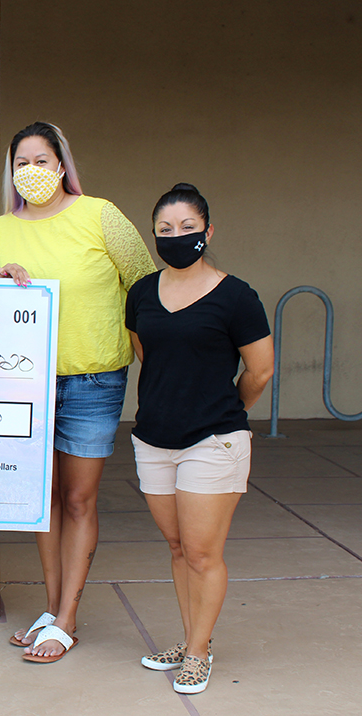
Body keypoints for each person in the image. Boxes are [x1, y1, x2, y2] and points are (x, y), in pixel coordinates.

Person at [0, 122, 156, 663]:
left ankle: (68, 618)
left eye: (42, 160)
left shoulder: (100, 215)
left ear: (62, 164)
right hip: (24, 383)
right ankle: (53, 611)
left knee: (77, 498)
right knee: (43, 502)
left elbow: (143, 287)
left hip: (93, 380)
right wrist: (0, 287)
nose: (32, 171)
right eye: (21, 162)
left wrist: (156, 368)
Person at [126, 183, 273, 693]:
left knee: (203, 552)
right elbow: (147, 351)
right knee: (178, 547)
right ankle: (192, 638)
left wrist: (226, 412)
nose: (175, 236)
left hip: (214, 441)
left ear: (208, 231)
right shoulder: (142, 292)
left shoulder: (237, 296)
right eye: (164, 230)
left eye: (186, 227)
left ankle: (197, 652)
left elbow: (259, 370)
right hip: (154, 439)